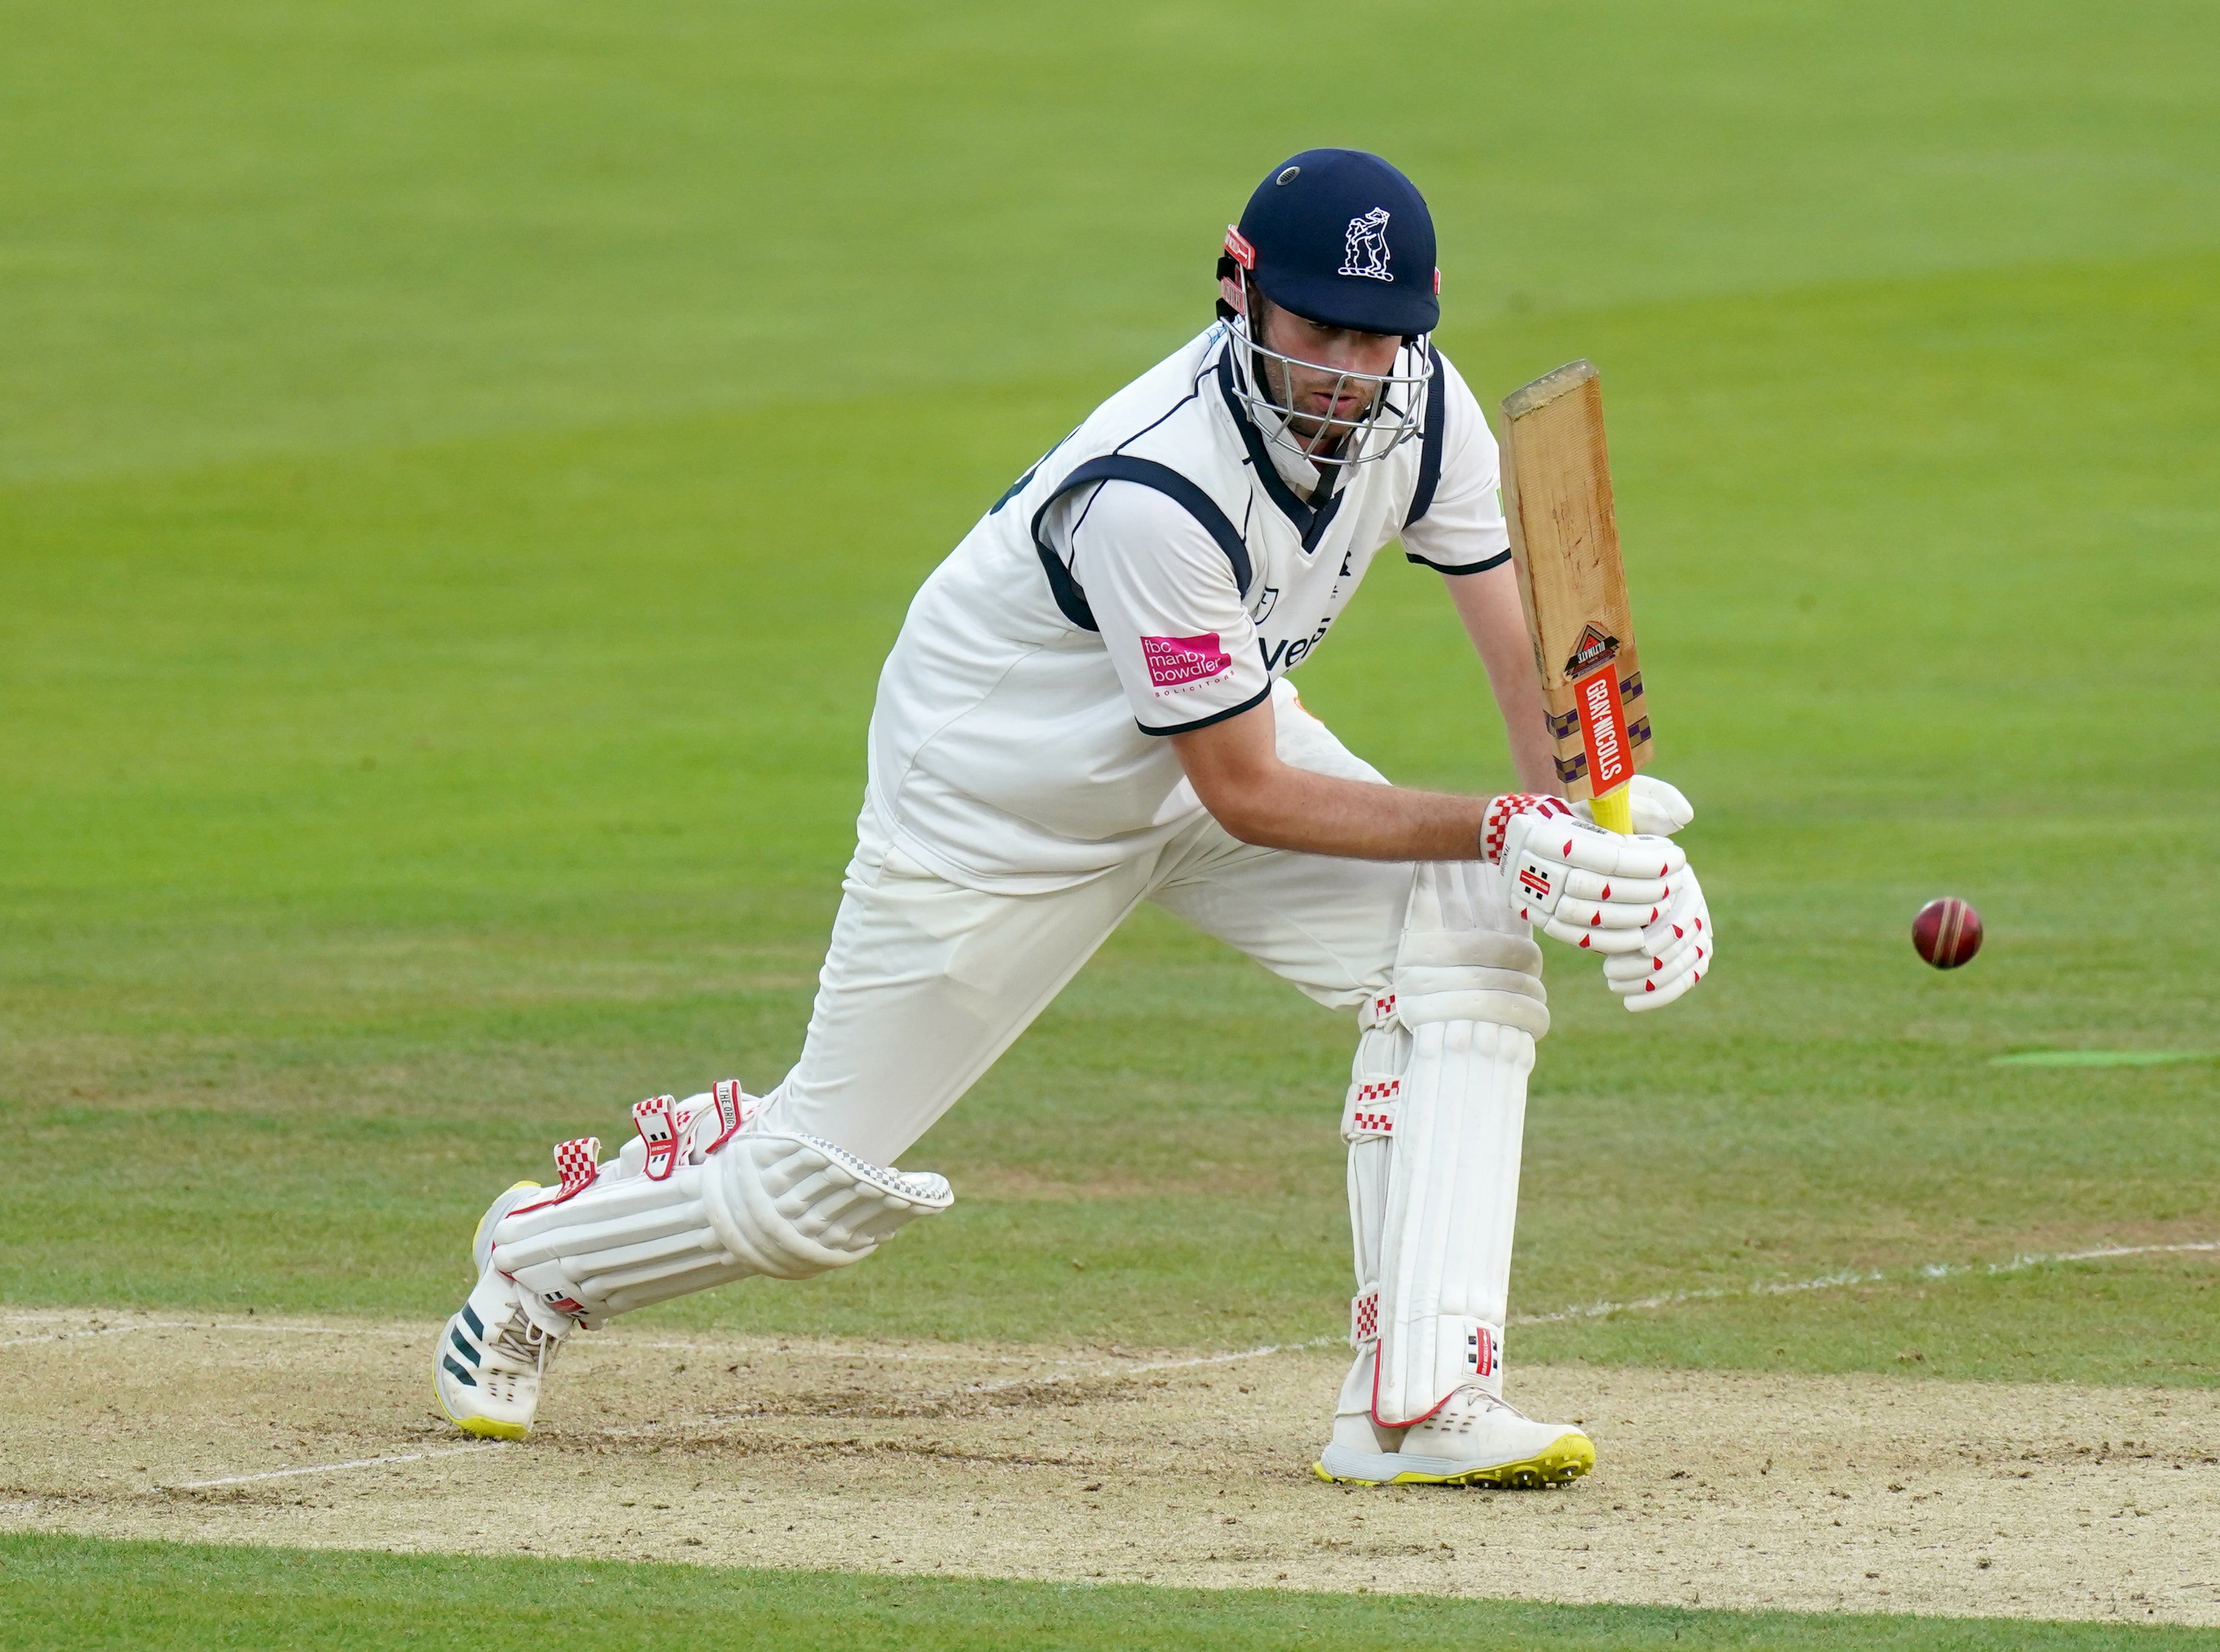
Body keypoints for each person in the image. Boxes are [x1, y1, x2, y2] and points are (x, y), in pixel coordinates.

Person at [433, 149, 1711, 1489]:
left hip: (1208, 735)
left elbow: (1530, 669)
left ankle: (1418, 1403)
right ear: (1239, 292)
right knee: (811, 1192)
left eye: (1379, 337)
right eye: (1318, 326)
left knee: (1462, 945)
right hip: (1001, 801)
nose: (1346, 369)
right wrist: (1513, 832)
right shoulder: (1154, 490)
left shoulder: (1431, 413)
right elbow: (1252, 794)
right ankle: (540, 1256)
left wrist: (1603, 839)